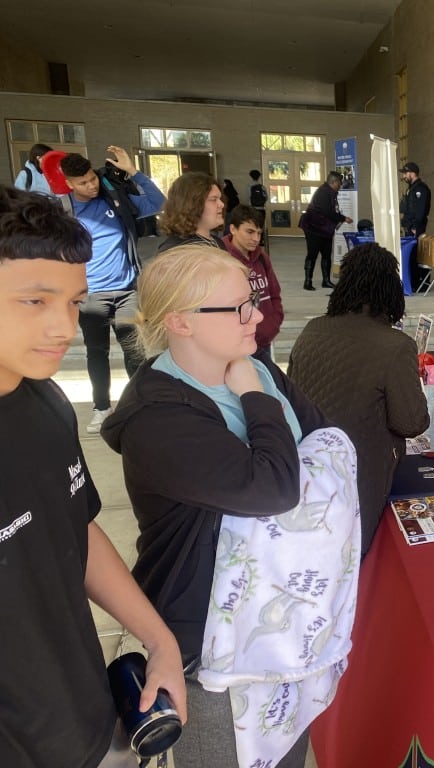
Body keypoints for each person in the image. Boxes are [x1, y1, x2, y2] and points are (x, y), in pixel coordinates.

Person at [101, 245, 334, 767]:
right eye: (238, 308)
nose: (257, 316)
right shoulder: (158, 417)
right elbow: (274, 488)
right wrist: (255, 399)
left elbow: (324, 440)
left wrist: (257, 387)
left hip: (282, 618)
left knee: (287, 753)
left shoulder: (256, 368)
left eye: (254, 301)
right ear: (179, 322)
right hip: (209, 636)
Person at [0, 184, 186, 768]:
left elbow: (74, 528)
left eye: (74, 302)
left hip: (87, 715)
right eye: (35, 300)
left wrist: (159, 639)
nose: (63, 326)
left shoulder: (47, 401)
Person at [289, 242, 430, 555]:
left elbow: (293, 396)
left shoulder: (312, 329)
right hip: (360, 476)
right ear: (390, 289)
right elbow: (411, 422)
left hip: (307, 471)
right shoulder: (395, 345)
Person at [59, 146, 166, 433]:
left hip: (128, 291)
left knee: (135, 351)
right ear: (69, 183)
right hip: (91, 295)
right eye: (83, 182)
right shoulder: (64, 211)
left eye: (92, 178)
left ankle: (139, 404)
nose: (91, 185)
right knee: (97, 352)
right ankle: (102, 407)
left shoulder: (114, 197)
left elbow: (157, 202)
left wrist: (134, 171)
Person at [223, 205, 284, 366]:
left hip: (264, 340)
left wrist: (273, 324)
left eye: (259, 233)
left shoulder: (262, 257)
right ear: (233, 229)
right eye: (249, 232)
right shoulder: (222, 260)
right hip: (236, 344)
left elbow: (274, 293)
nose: (256, 239)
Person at [300, 171, 351, 291]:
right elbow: (328, 212)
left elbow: (333, 210)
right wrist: (343, 218)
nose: (340, 185)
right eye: (339, 182)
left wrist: (340, 218)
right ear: (333, 182)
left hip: (325, 229)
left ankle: (326, 281)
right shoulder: (323, 192)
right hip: (314, 228)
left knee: (327, 255)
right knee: (312, 254)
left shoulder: (331, 192)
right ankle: (308, 281)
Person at [158, 172, 227, 252]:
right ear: (191, 205)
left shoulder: (217, 242)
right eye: (213, 199)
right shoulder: (177, 252)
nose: (222, 204)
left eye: (220, 199)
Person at [399, 161, 431, 237]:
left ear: (413, 174)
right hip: (409, 226)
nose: (403, 176)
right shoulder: (411, 188)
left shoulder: (420, 189)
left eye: (405, 173)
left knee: (414, 244)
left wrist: (415, 226)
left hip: (415, 228)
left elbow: (421, 210)